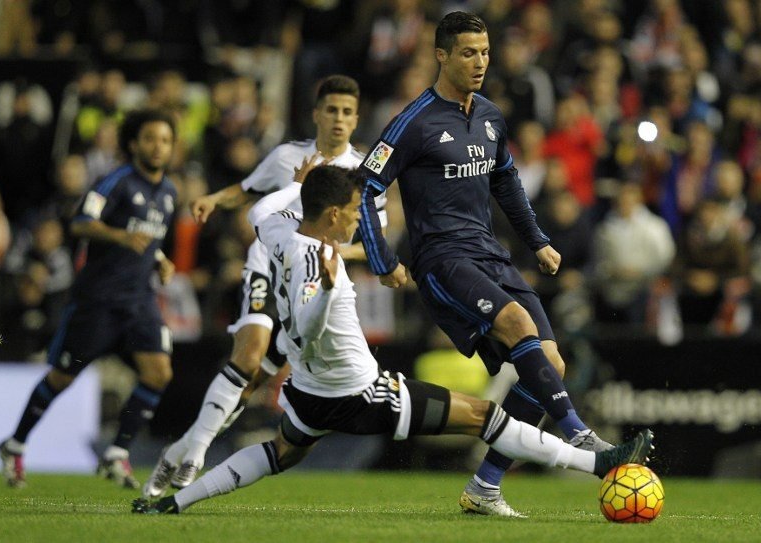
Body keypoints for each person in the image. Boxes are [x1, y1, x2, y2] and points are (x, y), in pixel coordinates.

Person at [131, 163, 654, 515]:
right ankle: (598, 463)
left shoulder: (280, 239)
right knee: (483, 418)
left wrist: (302, 185)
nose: (360, 217)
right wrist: (327, 292)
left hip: (310, 394)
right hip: (360, 390)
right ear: (335, 214)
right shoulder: (324, 261)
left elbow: (258, 211)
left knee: (279, 454)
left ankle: (175, 503)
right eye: (355, 209)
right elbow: (312, 323)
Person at [357, 12, 612, 517]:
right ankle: (580, 436)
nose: (480, 62)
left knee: (551, 366)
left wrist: (537, 241)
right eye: (469, 53)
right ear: (442, 56)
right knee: (520, 327)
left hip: (491, 254)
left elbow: (507, 185)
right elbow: (365, 187)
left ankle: (485, 485)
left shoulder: (492, 116)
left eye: (486, 52)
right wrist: (382, 257)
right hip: (441, 259)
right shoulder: (414, 120)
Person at [141, 75, 387, 497]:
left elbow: (375, 240)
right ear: (316, 114)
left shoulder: (363, 171)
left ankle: (179, 448)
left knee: (255, 382)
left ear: (357, 117)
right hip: (267, 265)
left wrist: (334, 255)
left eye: (347, 112)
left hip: (311, 283)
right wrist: (215, 200)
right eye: (331, 110)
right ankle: (197, 452)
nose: (339, 119)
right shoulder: (288, 156)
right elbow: (247, 190)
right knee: (249, 354)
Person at [0, 109, 178, 489]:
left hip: (140, 301)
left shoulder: (169, 192)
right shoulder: (117, 182)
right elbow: (80, 222)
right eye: (150, 138)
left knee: (159, 373)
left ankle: (116, 454)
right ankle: (14, 444)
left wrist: (161, 261)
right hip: (98, 301)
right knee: (62, 378)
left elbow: (150, 240)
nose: (158, 147)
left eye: (165, 140)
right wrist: (118, 236)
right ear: (133, 144)